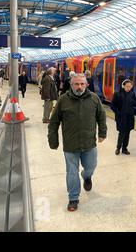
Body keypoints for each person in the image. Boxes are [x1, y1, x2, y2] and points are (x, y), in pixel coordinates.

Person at [48, 73, 107, 212]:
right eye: (76, 84)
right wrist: (53, 140)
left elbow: (101, 116)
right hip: (71, 145)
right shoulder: (63, 100)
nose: (79, 87)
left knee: (91, 166)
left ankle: (87, 177)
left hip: (89, 144)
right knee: (72, 172)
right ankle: (73, 198)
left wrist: (102, 133)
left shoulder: (94, 98)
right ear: (71, 84)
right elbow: (54, 122)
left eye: (82, 84)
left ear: (86, 84)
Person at [111, 79, 136, 155]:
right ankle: (118, 148)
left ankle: (124, 149)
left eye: (130, 86)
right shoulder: (117, 94)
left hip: (129, 118)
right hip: (121, 118)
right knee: (122, 133)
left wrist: (132, 101)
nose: (128, 88)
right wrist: (118, 113)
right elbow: (112, 106)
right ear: (123, 86)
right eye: (127, 86)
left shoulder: (132, 94)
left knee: (127, 133)